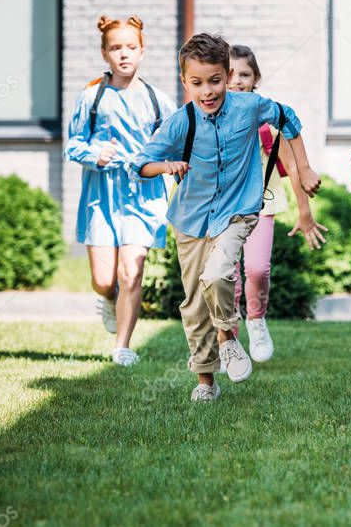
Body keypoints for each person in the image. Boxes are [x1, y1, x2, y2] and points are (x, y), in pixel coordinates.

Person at [131, 33, 321, 402]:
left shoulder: (249, 107)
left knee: (218, 274)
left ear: (227, 74)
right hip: (190, 220)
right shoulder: (179, 122)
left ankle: (228, 336)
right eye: (197, 83)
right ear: (184, 81)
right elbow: (140, 163)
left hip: (239, 211)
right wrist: (166, 165)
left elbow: (289, 119)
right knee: (194, 303)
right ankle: (206, 382)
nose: (207, 91)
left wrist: (306, 167)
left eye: (215, 80)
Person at [65, 15, 176, 366]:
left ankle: (123, 346)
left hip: (144, 197)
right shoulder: (91, 97)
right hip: (101, 198)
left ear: (142, 51)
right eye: (116, 48)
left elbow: (176, 145)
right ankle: (108, 298)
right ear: (104, 53)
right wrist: (94, 154)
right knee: (103, 280)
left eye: (131, 47)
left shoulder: (158, 101)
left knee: (132, 271)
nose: (124, 54)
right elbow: (72, 145)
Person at [226, 44, 328, 362]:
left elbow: (295, 167)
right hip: (223, 210)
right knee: (226, 276)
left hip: (261, 206)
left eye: (244, 74)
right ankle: (229, 336)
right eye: (229, 74)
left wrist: (305, 212)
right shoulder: (211, 118)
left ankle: (256, 320)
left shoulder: (267, 124)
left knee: (256, 270)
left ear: (256, 78)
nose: (237, 80)